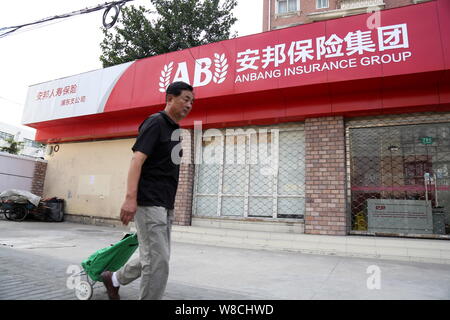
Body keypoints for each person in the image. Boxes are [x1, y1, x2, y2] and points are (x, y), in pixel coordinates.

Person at [101, 81, 194, 300]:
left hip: (164, 203)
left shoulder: (175, 130)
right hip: (149, 202)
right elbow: (137, 159)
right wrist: (130, 198)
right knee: (158, 261)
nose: (189, 105)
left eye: (192, 101)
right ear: (169, 98)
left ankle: (114, 279)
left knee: (157, 257)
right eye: (186, 99)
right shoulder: (156, 122)